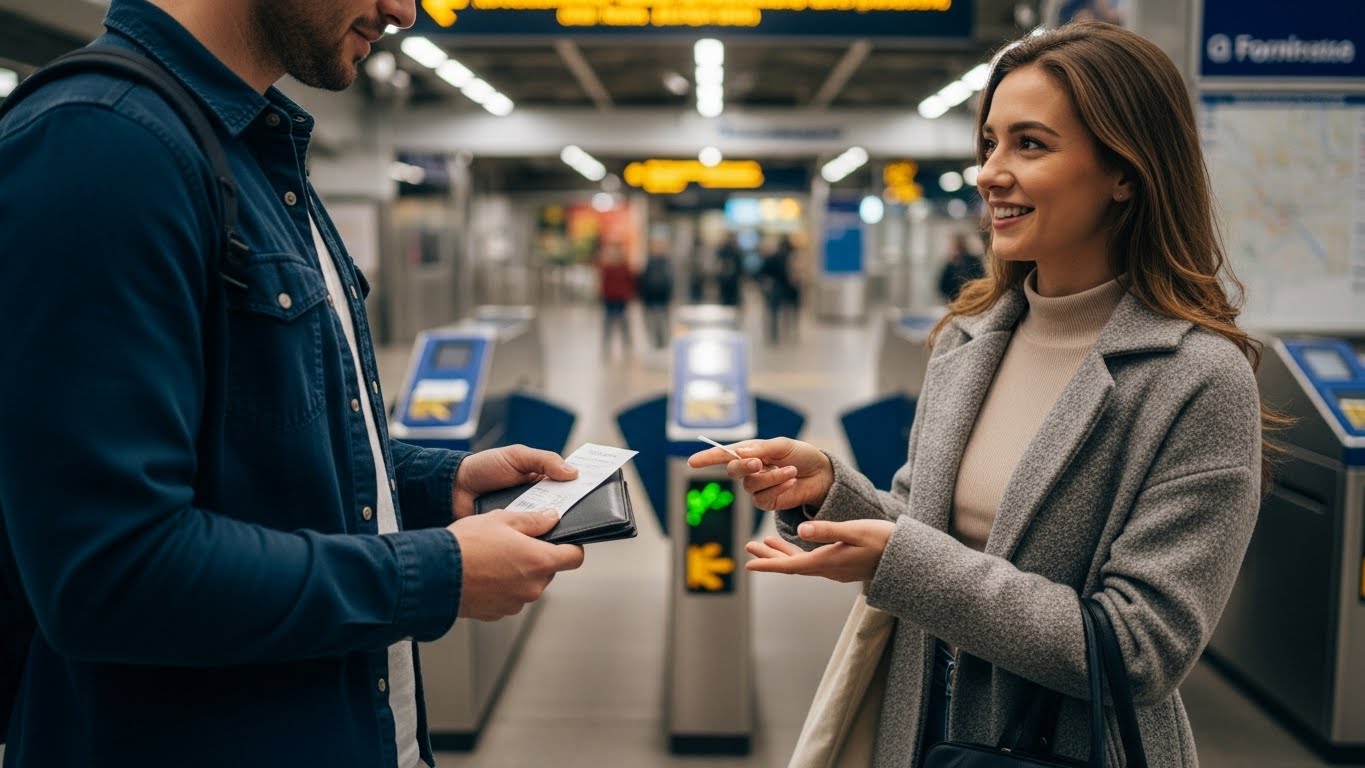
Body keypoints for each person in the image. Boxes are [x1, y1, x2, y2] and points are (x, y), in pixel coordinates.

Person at [0, 1, 586, 766]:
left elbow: (251, 441)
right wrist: (433, 575)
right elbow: (109, 572)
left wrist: (432, 484)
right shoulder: (101, 145)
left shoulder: (251, 151)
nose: (402, 10)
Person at [690, 20, 1271, 767]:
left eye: (1029, 144)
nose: (990, 172)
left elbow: (1140, 649)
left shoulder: (1195, 377)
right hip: (922, 735)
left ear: (1124, 171)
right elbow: (925, 529)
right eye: (988, 144)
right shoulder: (967, 341)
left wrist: (899, 560)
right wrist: (835, 492)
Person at [596, 241, 637, 356]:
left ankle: (625, 343)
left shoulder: (623, 266)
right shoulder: (607, 266)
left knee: (621, 322)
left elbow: (630, 281)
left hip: (619, 298)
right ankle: (608, 344)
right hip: (611, 298)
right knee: (610, 322)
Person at [638, 240, 675, 350]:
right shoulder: (649, 263)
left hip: (662, 297)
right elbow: (643, 279)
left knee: (663, 319)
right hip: (650, 297)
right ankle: (655, 340)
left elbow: (670, 280)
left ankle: (663, 340)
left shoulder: (666, 263)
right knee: (652, 320)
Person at [936, 232, 985, 303]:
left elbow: (980, 278)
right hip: (954, 300)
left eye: (956, 245)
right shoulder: (950, 263)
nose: (953, 248)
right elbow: (942, 285)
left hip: (972, 299)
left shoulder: (973, 260)